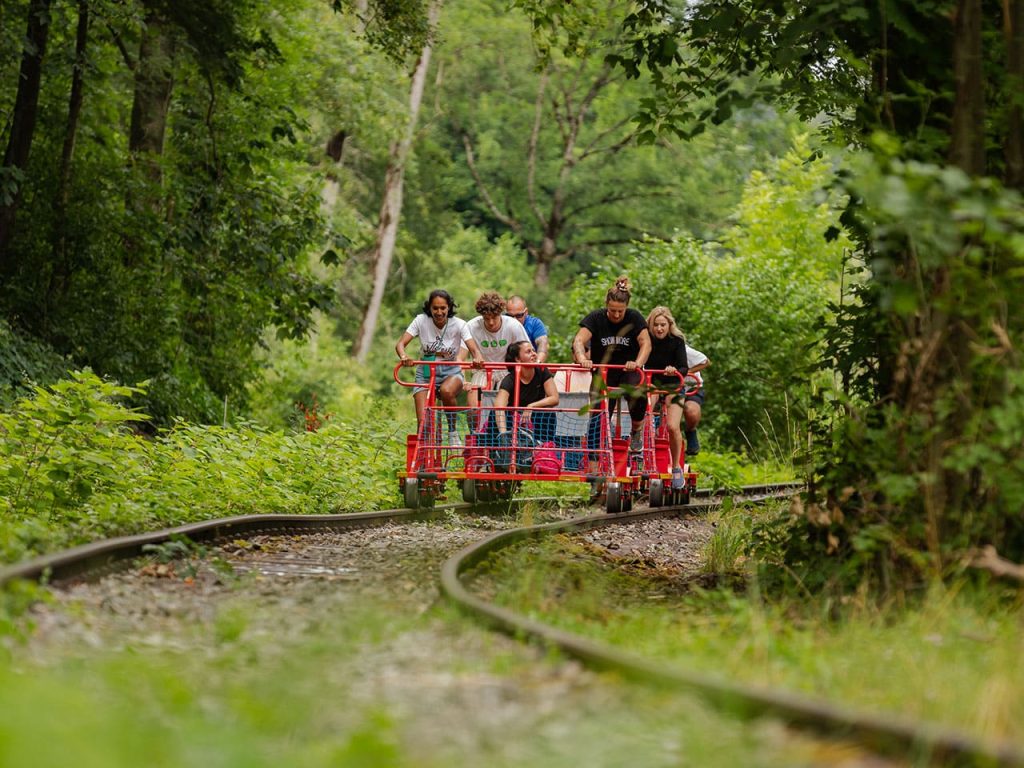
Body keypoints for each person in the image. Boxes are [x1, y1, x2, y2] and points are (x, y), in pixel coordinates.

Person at [572, 275, 651, 480]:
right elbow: (579, 340)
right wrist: (582, 357)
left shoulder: (634, 317)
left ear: (626, 308)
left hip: (628, 370)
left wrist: (638, 362)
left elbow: (645, 343)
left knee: (638, 393)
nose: (616, 314)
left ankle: (636, 431)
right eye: (612, 310)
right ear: (606, 305)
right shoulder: (596, 318)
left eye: (620, 311)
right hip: (603, 372)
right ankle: (593, 468)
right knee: (597, 416)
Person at [396, 289, 484, 447]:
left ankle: (452, 432)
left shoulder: (459, 324)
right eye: (435, 308)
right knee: (424, 422)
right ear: (429, 308)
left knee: (446, 391)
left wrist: (477, 357)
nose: (439, 312)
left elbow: (474, 349)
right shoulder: (421, 321)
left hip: (451, 371)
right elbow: (401, 344)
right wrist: (404, 357)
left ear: (449, 307)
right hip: (426, 372)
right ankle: (423, 461)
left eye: (443, 308)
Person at [464, 291, 530, 415]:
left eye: (494, 317)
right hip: (482, 370)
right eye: (486, 318)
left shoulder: (513, 326)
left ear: (500, 313)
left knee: (503, 405)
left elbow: (527, 351)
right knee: (473, 406)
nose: (491, 322)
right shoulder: (471, 326)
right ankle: (475, 433)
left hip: (506, 370)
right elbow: (460, 356)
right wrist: (463, 379)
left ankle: (503, 432)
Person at [645, 306, 689, 489]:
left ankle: (676, 466)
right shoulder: (647, 341)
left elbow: (684, 368)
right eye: (656, 325)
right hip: (654, 383)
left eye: (662, 325)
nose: (659, 329)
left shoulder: (676, 341)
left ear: (669, 325)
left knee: (672, 426)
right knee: (647, 409)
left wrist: (674, 370)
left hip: (673, 385)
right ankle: (643, 449)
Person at [494, 341, 559, 441]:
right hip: (514, 419)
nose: (534, 354)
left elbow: (554, 398)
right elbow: (499, 406)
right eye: (528, 352)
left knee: (548, 414)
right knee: (493, 415)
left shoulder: (542, 370)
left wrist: (531, 406)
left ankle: (542, 448)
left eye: (533, 350)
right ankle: (503, 446)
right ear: (518, 359)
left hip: (536, 416)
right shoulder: (510, 379)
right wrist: (504, 434)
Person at [505, 295, 550, 363]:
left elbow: (543, 344)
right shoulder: (502, 323)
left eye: (518, 316)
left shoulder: (535, 324)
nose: (514, 320)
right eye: (510, 316)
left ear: (526, 312)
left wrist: (537, 363)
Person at [683, 344, 710, 456]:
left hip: (690, 386)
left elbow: (706, 361)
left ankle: (691, 430)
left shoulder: (683, 349)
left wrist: (687, 372)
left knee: (691, 412)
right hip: (667, 387)